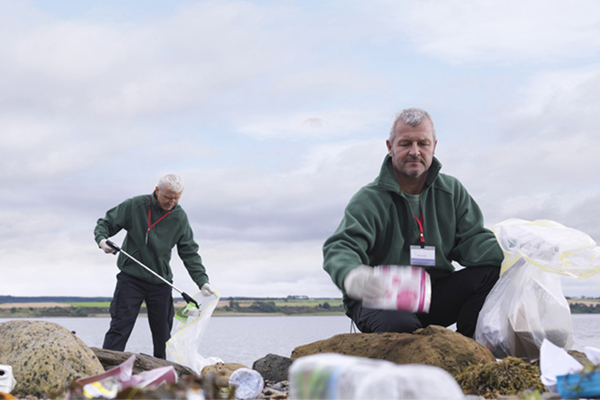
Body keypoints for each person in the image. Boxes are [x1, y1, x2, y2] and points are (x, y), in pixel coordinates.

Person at [323, 108, 503, 338]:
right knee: (400, 325)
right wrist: (352, 274)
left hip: (432, 296)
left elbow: (474, 241)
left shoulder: (452, 191)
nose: (415, 152)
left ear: (434, 146)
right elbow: (340, 246)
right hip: (380, 298)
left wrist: (517, 253)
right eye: (406, 143)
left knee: (491, 274)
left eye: (423, 143)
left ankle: (469, 354)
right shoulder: (369, 199)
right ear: (390, 147)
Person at [94, 173, 215, 358]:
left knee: (162, 336)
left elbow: (189, 252)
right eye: (167, 197)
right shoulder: (135, 205)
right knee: (120, 326)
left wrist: (202, 281)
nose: (171, 202)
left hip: (161, 283)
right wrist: (102, 241)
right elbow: (105, 224)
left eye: (176, 198)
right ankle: (104, 370)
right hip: (131, 279)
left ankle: (162, 376)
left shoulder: (179, 218)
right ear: (157, 191)